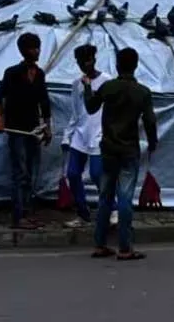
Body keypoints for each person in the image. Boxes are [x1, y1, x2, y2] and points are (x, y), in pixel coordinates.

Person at [83, 46, 158, 261]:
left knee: (105, 197)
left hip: (108, 148)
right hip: (129, 150)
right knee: (124, 198)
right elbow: (150, 121)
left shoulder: (108, 87)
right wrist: (152, 142)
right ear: (135, 66)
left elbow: (90, 108)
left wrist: (88, 87)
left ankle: (100, 244)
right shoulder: (142, 92)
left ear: (117, 65)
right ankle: (125, 247)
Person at [0, 32, 53, 230]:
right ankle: (18, 217)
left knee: (32, 174)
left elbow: (44, 102)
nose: (36, 51)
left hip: (33, 130)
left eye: (37, 47)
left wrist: (48, 127)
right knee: (20, 173)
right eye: (32, 48)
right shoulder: (12, 73)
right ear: (23, 50)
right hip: (16, 130)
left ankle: (28, 213)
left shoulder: (40, 74)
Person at [62, 43, 116, 228]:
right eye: (80, 62)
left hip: (99, 133)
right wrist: (66, 135)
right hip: (80, 134)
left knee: (96, 174)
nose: (85, 65)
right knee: (73, 174)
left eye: (87, 60)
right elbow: (76, 112)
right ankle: (83, 213)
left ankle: (112, 208)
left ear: (94, 59)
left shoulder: (107, 81)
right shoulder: (77, 84)